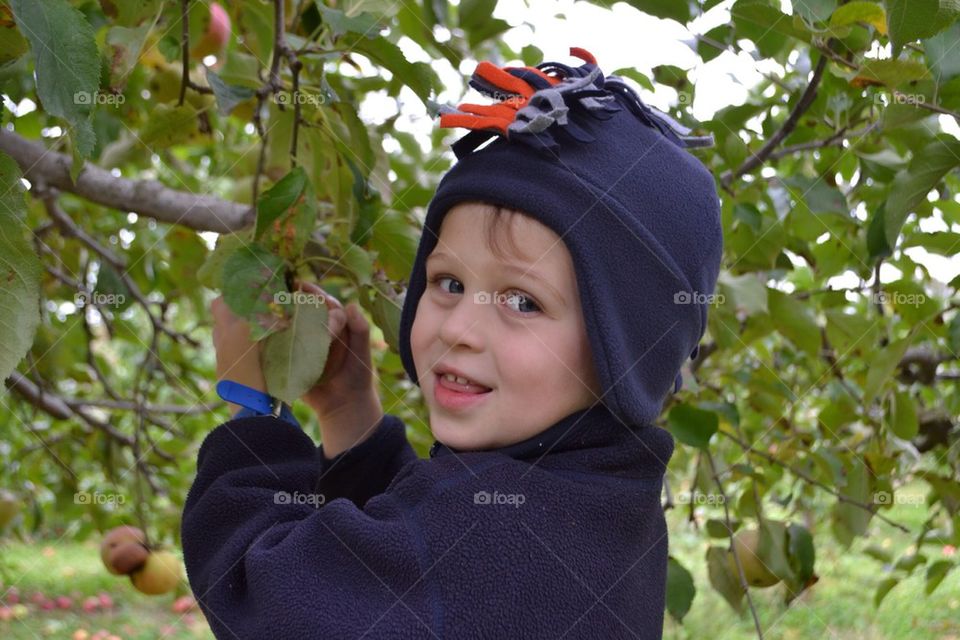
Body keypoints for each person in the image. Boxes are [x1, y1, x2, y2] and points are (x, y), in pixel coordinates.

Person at [182, 46, 723, 639]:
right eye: (448, 282)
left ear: (624, 346)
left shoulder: (495, 534)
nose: (459, 329)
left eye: (523, 302)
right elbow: (412, 558)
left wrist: (253, 413)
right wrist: (348, 411)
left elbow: (260, 597)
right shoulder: (603, 499)